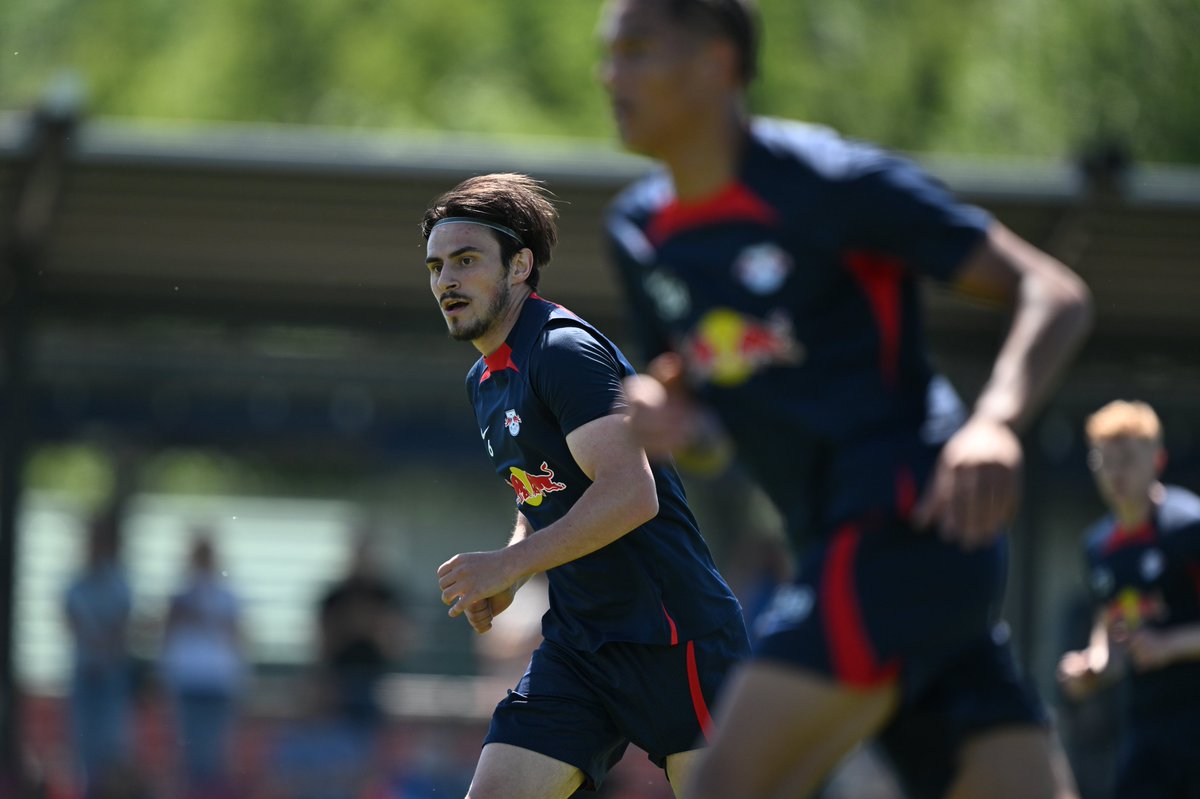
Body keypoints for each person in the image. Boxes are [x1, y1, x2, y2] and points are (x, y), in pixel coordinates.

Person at [597, 1, 1094, 797]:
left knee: (725, 783)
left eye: (638, 50)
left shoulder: (832, 186)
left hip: (906, 518)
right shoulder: (639, 233)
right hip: (845, 544)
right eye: (608, 54)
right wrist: (682, 425)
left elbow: (1052, 291)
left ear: (718, 64)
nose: (611, 75)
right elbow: (715, 428)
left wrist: (995, 421)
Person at [422, 172, 750, 799]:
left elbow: (632, 493)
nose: (447, 281)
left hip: (674, 638)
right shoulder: (484, 379)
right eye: (437, 267)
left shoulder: (561, 350)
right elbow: (541, 496)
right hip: (580, 647)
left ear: (520, 266)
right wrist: (513, 574)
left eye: (466, 261)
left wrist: (508, 563)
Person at [1058, 400, 1200, 798]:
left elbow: (1162, 642)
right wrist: (1094, 665)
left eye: (1127, 460)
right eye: (1105, 461)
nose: (1115, 473)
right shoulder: (1099, 548)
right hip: (1149, 725)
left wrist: (1171, 645)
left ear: (1158, 459)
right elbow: (1112, 624)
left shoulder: (1189, 528)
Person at [160, 529, 246, 795]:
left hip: (218, 683)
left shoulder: (227, 597)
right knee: (187, 749)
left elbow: (238, 637)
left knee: (215, 751)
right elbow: (167, 635)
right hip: (187, 681)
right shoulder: (180, 597)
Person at [63, 510, 135, 793]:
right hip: (85, 671)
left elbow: (122, 624)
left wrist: (101, 642)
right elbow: (70, 620)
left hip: (111, 673)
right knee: (82, 743)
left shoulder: (117, 582)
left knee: (112, 742)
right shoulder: (77, 583)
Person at [316, 528, 410, 733]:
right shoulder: (336, 596)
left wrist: (372, 630)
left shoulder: (388, 596)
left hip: (378, 680)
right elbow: (323, 642)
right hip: (340, 679)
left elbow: (398, 642)